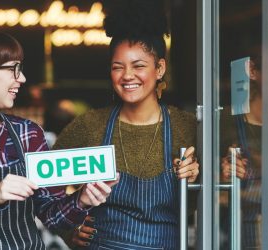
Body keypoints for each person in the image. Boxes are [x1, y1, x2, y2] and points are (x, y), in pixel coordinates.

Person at [52, 0, 200, 249]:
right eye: (117, 67)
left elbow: (208, 201)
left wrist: (196, 179)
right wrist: (68, 227)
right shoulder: (90, 125)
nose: (127, 76)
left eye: (139, 66)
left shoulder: (187, 127)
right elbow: (41, 182)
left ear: (160, 68)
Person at [0, 29, 118, 249]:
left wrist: (82, 200)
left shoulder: (28, 134)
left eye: (21, 69)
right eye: (13, 69)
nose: (22, 78)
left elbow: (51, 217)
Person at [220, 55, 262, 249]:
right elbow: (209, 189)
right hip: (238, 233)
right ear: (252, 71)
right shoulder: (225, 123)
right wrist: (223, 177)